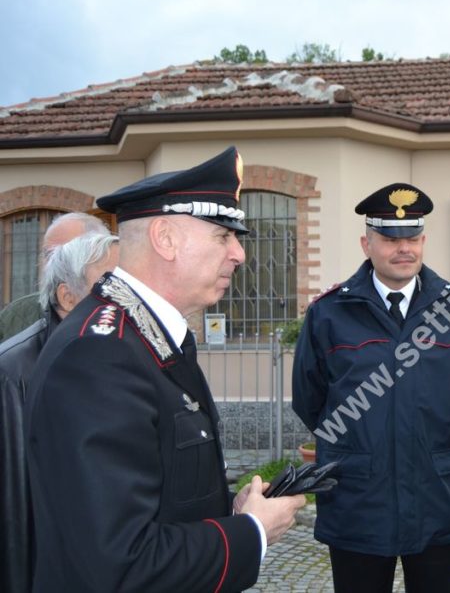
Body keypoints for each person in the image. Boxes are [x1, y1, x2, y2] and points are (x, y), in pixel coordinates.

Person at [25, 147, 306, 592]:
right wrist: (251, 534)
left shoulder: (147, 336)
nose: (239, 254)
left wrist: (232, 514)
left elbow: (159, 499)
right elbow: (119, 563)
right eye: (222, 235)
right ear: (165, 238)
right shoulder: (100, 357)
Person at [291, 183, 450, 593]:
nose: (404, 249)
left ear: (424, 241)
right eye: (390, 239)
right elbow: (310, 401)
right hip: (359, 499)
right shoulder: (329, 314)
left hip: (437, 496)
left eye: (412, 238)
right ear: (367, 243)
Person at [0, 232, 119, 593]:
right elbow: (15, 510)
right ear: (67, 297)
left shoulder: (124, 354)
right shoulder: (14, 371)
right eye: (110, 285)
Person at [0, 212, 109, 341]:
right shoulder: (16, 314)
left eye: (64, 254)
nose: (53, 264)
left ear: (101, 257)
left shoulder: (124, 312)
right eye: (48, 254)